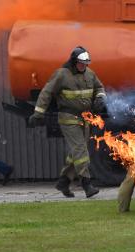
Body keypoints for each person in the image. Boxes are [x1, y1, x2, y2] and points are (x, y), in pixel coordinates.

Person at [29, 46, 106, 198]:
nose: (84, 67)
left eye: (86, 64)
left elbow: (99, 87)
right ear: (73, 61)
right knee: (80, 150)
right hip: (68, 119)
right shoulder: (62, 74)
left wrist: (100, 98)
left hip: (85, 119)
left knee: (76, 152)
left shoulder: (90, 74)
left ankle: (63, 182)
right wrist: (38, 113)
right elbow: (47, 92)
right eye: (81, 64)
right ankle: (86, 184)